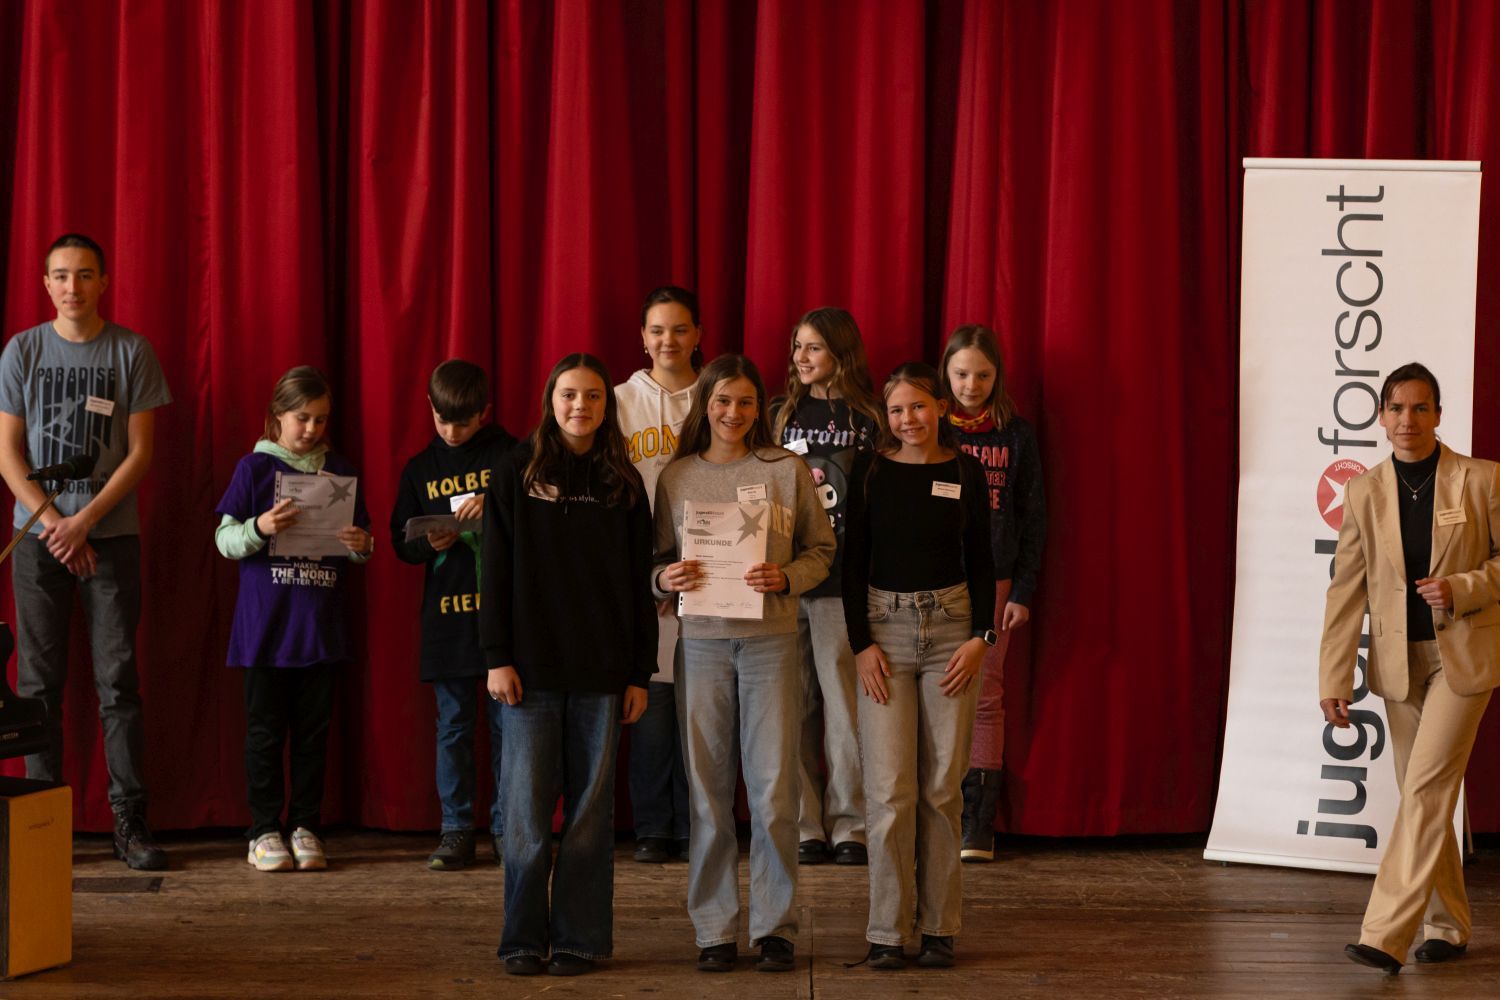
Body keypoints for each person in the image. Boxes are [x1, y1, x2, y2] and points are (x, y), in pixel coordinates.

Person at [652, 354, 835, 974]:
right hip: (701, 645)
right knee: (706, 793)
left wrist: (787, 577)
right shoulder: (677, 476)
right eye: (723, 401)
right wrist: (664, 578)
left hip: (771, 644)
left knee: (775, 790)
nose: (734, 412)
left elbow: (821, 550)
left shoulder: (785, 470)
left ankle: (775, 927)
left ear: (761, 407)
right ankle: (713, 929)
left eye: (746, 401)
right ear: (705, 404)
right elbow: (654, 563)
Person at [1319, 362, 1500, 974]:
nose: (1408, 420)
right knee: (1426, 794)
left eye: (1421, 408)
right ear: (1381, 416)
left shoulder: (1482, 479)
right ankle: (1447, 925)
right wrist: (1334, 678)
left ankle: (1384, 933)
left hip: (1462, 659)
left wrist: (1463, 587)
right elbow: (1346, 590)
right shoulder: (1363, 491)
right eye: (1396, 408)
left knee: (1425, 788)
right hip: (1399, 664)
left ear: (1439, 415)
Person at [0, 233, 172, 870]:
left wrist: (85, 523)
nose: (72, 286)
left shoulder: (132, 351)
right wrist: (56, 526)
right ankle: (42, 825)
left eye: (84, 274)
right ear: (45, 283)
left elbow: (141, 454)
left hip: (111, 539)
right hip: (38, 541)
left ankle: (130, 820)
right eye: (61, 275)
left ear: (104, 281)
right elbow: (7, 456)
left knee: (117, 682)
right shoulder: (22, 351)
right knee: (37, 686)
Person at [480, 354, 654, 977]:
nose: (581, 406)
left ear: (608, 405)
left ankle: (580, 938)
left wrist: (639, 672)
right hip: (528, 673)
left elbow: (638, 584)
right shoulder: (515, 471)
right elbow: (494, 569)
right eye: (569, 394)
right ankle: (523, 939)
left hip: (603, 675)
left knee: (588, 816)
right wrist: (497, 658)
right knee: (525, 814)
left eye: (594, 396)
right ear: (551, 400)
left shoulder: (623, 481)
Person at [842, 362, 995, 970]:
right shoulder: (870, 470)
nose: (908, 419)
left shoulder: (965, 471)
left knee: (940, 789)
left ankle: (938, 928)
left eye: (919, 406)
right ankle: (886, 930)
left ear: (941, 408)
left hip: (952, 633)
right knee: (889, 791)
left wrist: (981, 637)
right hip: (884, 632)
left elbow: (982, 558)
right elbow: (853, 563)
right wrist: (861, 644)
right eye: (897, 410)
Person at [215, 366, 373, 872]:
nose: (311, 429)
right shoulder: (254, 469)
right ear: (277, 416)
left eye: (320, 419)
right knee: (264, 735)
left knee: (312, 736)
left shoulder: (339, 471)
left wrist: (360, 544)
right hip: (265, 630)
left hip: (318, 629)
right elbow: (224, 541)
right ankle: (263, 830)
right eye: (301, 418)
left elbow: (362, 545)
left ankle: (305, 825)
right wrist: (260, 527)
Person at [391, 359, 517, 870]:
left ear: (484, 412)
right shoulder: (420, 469)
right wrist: (430, 542)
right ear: (430, 408)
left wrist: (496, 505)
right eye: (442, 420)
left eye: (462, 422)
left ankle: (509, 828)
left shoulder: (509, 455)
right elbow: (402, 541)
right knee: (454, 728)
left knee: (510, 729)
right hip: (448, 619)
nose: (451, 431)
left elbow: (539, 518)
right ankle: (457, 829)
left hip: (505, 619)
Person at [769, 306, 881, 867]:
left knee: (844, 708)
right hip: (784, 582)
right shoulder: (780, 414)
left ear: (841, 351)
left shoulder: (870, 417)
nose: (801, 357)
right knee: (790, 708)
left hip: (842, 584)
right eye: (797, 346)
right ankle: (804, 824)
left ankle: (850, 824)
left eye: (813, 347)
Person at [939, 324, 1046, 862]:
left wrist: (1022, 589)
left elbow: (1032, 516)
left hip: (997, 580)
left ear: (997, 376)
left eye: (982, 375)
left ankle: (977, 822)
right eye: (961, 374)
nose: (971, 385)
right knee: (934, 688)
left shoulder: (1015, 435)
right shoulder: (931, 427)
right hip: (934, 578)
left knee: (986, 693)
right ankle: (933, 812)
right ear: (946, 373)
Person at [615, 285, 702, 864]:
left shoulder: (717, 394)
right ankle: (652, 825)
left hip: (709, 569)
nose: (668, 340)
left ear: (697, 335)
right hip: (640, 570)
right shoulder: (619, 401)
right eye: (657, 330)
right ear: (642, 337)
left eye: (679, 329)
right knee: (649, 701)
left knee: (703, 709)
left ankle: (697, 823)